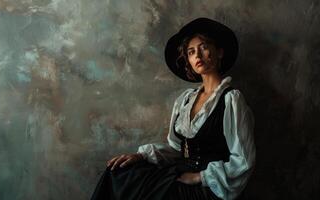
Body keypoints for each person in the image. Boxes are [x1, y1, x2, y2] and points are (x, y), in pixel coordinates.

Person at [91, 17, 256, 200]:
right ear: (189, 61)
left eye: (203, 47)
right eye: (191, 52)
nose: (198, 56)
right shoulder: (185, 100)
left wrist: (199, 177)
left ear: (219, 52)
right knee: (120, 173)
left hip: (210, 186)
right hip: (180, 171)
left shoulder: (231, 100)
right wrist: (142, 156)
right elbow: (177, 149)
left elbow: (243, 160)